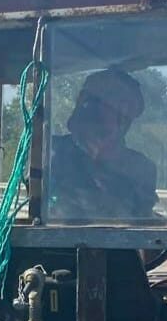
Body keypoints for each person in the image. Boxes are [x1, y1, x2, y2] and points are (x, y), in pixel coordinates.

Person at [50, 69, 158, 221]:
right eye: (87, 103)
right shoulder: (51, 153)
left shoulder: (141, 169)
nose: (88, 110)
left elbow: (142, 226)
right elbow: (46, 209)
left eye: (124, 109)